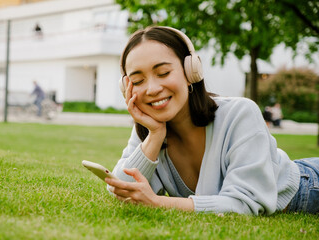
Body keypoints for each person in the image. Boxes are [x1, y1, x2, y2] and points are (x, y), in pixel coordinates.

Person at [104, 26, 319, 215]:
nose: (152, 89)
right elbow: (123, 189)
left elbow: (245, 203)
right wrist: (155, 136)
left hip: (308, 185)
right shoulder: (152, 129)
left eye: (163, 73)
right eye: (138, 80)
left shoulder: (240, 113)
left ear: (191, 71)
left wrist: (158, 202)